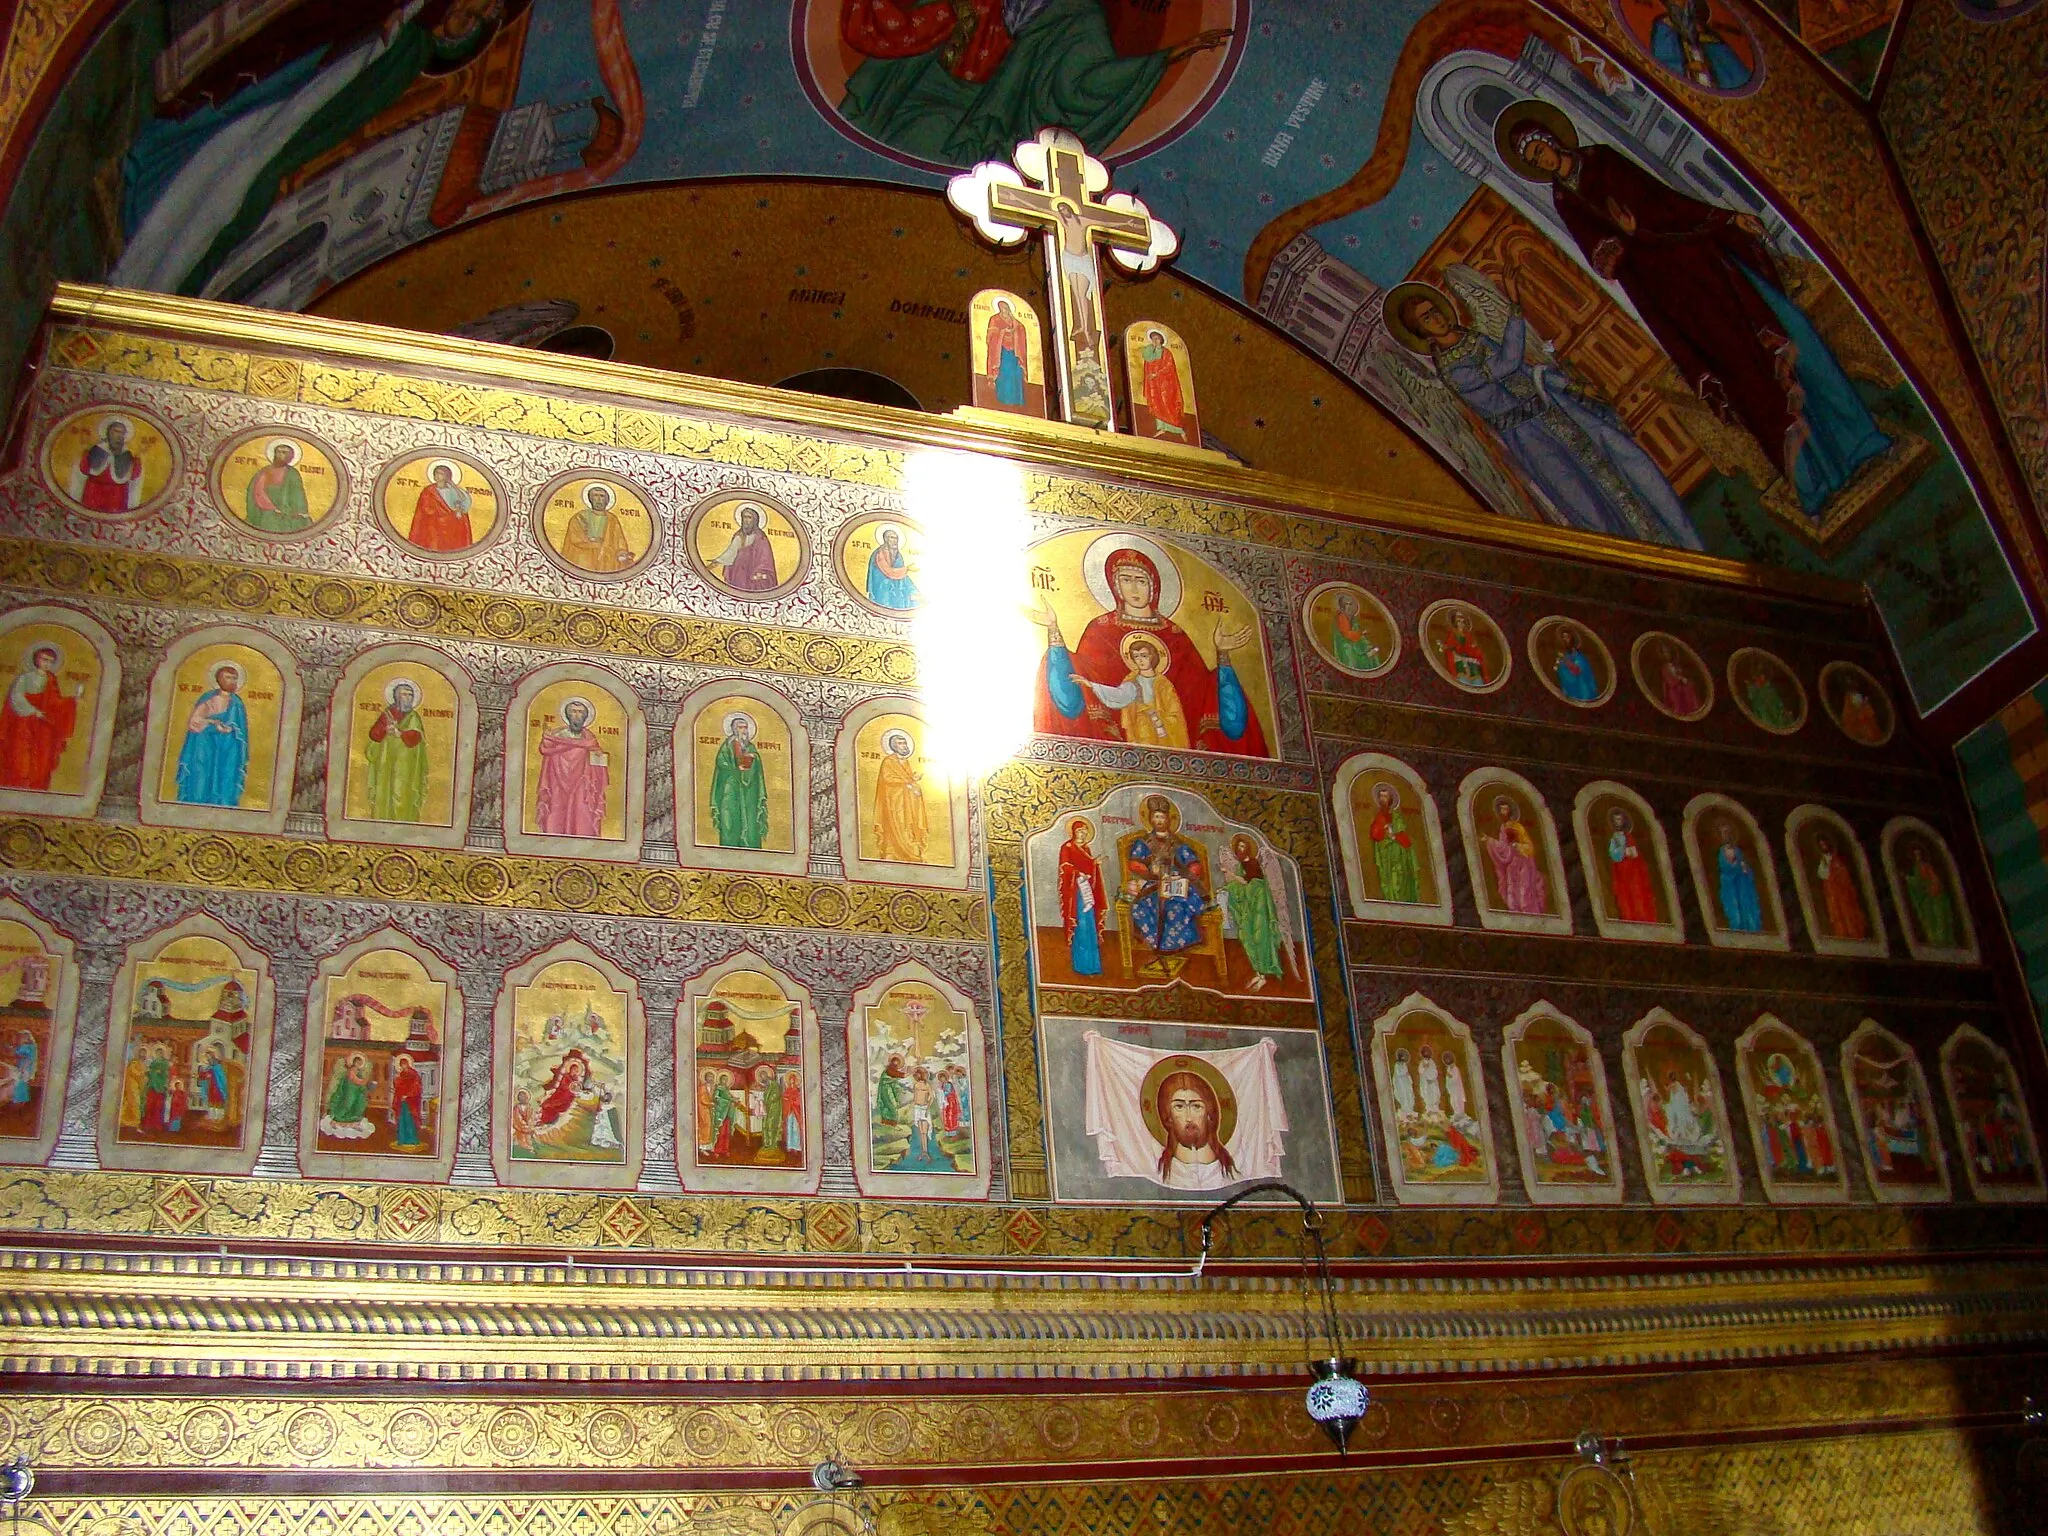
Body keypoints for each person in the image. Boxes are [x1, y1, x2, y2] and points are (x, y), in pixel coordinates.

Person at [1501, 106, 1891, 520]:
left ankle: (1857, 442)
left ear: (1550, 138)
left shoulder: (1602, 159)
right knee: (1749, 381)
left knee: (1788, 339)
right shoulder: (1564, 200)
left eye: (1538, 149)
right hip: (1670, 295)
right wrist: (1620, 242)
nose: (1539, 160)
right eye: (1531, 161)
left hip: (1700, 260)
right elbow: (1601, 255)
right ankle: (1817, 482)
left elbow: (1664, 200)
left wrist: (1722, 218)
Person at [113, 0, 515, 297]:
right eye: (476, 8)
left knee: (242, 193)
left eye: (482, 17)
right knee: (230, 172)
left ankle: (162, 282)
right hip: (285, 96)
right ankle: (147, 269)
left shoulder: (409, 49)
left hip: (300, 121)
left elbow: (443, 47)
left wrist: (456, 28)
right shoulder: (401, 32)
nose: (473, 17)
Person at [1390, 275, 1700, 548]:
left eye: (1433, 311)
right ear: (1421, 331)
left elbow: (1524, 370)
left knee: (1627, 459)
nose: (1436, 318)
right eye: (1426, 319)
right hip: (1531, 436)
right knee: (1589, 506)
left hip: (1556, 409)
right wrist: (1514, 308)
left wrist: (1569, 386)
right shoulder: (1452, 369)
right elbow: (1505, 365)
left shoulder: (1473, 337)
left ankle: (1685, 544)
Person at [838, 0, 1231, 167]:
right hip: (916, 94)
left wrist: (1165, 57)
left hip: (984, 122)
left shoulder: (1077, 15)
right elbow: (901, 25)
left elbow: (1081, 86)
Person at [1035, 544, 1267, 755]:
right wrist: (1054, 630)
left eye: (1141, 581)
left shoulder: (1175, 634)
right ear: (1115, 586)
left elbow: (1199, 688)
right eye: (1126, 580)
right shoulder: (1100, 630)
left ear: (1153, 587)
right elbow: (1077, 680)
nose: (1134, 588)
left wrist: (1223, 655)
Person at [1124, 795, 1207, 970]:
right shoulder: (1144, 842)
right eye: (1156, 817)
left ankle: (1173, 949)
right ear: (1150, 819)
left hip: (1175, 884)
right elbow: (1134, 863)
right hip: (1153, 885)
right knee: (1148, 905)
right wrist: (1149, 872)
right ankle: (1158, 947)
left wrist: (1184, 876)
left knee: (1179, 905)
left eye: (1162, 816)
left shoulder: (1178, 844)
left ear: (1169, 819)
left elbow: (1194, 865)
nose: (1159, 820)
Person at [1084, 634, 1188, 748]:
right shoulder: (1132, 681)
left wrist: (1160, 720)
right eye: (1136, 656)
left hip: (1161, 730)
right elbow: (1119, 695)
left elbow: (1175, 714)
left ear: (1152, 657)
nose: (1140, 660)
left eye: (1144, 656)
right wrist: (1091, 685)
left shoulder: (1164, 684)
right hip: (1141, 727)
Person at [0, 644, 78, 792]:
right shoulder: (25, 678)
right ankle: (16, 787)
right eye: (44, 659)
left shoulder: (51, 680)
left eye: (50, 661)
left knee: (42, 758)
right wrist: (34, 711)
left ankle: (36, 788)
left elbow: (54, 703)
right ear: (36, 659)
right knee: (20, 756)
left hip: (43, 727)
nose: (47, 663)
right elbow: (16, 697)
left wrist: (71, 701)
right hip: (24, 722)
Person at [175, 662, 252, 807]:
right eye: (228, 678)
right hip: (206, 745)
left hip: (229, 747)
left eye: (235, 678)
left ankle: (223, 805)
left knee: (226, 777)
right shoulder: (208, 698)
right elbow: (195, 722)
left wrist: (232, 730)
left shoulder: (237, 703)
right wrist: (213, 723)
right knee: (202, 778)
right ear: (219, 680)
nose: (232, 682)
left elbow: (241, 729)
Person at [534, 696, 609, 838]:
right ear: (567, 715)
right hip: (558, 783)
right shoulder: (556, 736)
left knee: (582, 812)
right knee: (556, 813)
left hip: (582, 784)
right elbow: (547, 752)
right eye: (574, 712)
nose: (577, 715)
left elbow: (598, 762)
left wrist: (599, 760)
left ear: (586, 716)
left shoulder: (589, 739)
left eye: (580, 712)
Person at [1153, 1067, 1238, 1190]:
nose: (1189, 1117)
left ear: (1209, 1114)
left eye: (1196, 1106)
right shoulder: (1159, 1173)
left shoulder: (1230, 1172)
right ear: (1168, 1117)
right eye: (1179, 1106)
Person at [1221, 835, 1286, 990]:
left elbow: (1248, 882)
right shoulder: (1241, 866)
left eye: (1243, 847)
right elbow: (1241, 888)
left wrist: (1228, 874)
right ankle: (1258, 974)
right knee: (1247, 936)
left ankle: (1265, 972)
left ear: (1248, 849)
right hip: (1249, 907)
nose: (1240, 850)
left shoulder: (1253, 863)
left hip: (1259, 906)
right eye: (1238, 847)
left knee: (1259, 936)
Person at [364, 679, 429, 823]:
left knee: (401, 794)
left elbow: (416, 738)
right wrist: (385, 730)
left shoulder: (414, 717)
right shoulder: (387, 714)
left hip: (406, 766)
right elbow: (374, 735)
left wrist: (399, 733)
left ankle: (404, 824)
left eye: (410, 695)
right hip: (385, 761)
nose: (408, 698)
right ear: (396, 697)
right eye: (404, 695)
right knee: (384, 793)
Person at [1648, 0, 1752, 89]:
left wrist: (1708, 67)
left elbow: (1734, 71)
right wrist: (1687, 67)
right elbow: (1663, 65)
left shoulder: (1707, 34)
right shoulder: (1664, 27)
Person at [709, 712, 769, 850]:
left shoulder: (750, 747)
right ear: (735, 729)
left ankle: (749, 845)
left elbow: (756, 765)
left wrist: (752, 758)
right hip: (730, 788)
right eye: (741, 727)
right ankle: (729, 845)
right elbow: (721, 763)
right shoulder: (727, 746)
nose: (744, 730)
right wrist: (734, 768)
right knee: (729, 817)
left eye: (745, 727)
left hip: (748, 791)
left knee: (749, 817)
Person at [1057, 820, 1107, 978]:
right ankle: (1082, 966)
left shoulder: (1086, 848)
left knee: (1090, 925)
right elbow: (1065, 866)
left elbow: (1089, 865)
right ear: (1073, 832)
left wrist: (1094, 864)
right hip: (1075, 893)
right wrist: (1078, 873)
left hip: (1087, 891)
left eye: (1085, 831)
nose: (1083, 834)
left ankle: (1093, 966)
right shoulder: (1067, 847)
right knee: (1081, 925)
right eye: (1080, 831)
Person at [1484, 795, 1548, 914]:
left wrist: (1517, 846)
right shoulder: (1503, 827)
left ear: (1510, 811)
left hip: (1523, 862)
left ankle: (1528, 912)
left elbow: (1528, 845)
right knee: (1512, 887)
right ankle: (1515, 911)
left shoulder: (1517, 826)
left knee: (1524, 889)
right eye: (1501, 810)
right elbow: (1503, 847)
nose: (1503, 812)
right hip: (1512, 864)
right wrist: (1490, 840)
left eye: (1506, 809)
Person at [873, 730, 930, 862]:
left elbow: (906, 779)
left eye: (904, 743)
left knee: (908, 826)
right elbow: (887, 779)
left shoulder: (905, 762)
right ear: (893, 746)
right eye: (900, 744)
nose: (904, 746)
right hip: (893, 801)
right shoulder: (888, 761)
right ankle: (891, 853)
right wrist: (909, 782)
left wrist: (912, 779)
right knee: (896, 826)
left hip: (907, 802)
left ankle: (912, 853)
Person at [67, 419, 146, 513]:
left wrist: (138, 456)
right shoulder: (97, 450)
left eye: (122, 433)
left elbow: (133, 475)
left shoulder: (126, 454)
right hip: (94, 492)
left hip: (117, 495)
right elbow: (84, 469)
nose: (119, 435)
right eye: (116, 431)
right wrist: (85, 451)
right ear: (108, 432)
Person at [557, 483, 634, 574]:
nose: (598, 500)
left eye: (602, 496)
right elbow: (574, 537)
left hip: (605, 559)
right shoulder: (580, 516)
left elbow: (619, 538)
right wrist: (592, 543)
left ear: (607, 500)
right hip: (585, 557)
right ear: (590, 499)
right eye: (595, 496)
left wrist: (622, 551)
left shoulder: (612, 519)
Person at [1367, 781, 1422, 904]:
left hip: (1399, 855)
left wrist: (1393, 836)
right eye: (1380, 796)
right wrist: (1384, 831)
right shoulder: (1379, 817)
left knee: (1399, 879)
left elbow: (1403, 836)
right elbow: (1375, 834)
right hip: (1386, 855)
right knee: (1389, 880)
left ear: (1391, 799)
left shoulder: (1397, 816)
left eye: (1385, 796)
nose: (1382, 799)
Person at [405, 461, 478, 552]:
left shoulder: (452, 490)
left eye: (441, 474)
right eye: (436, 473)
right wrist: (444, 513)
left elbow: (464, 500)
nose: (438, 476)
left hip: (451, 524)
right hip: (435, 524)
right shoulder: (429, 490)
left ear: (447, 476)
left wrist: (453, 485)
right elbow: (426, 508)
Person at [708, 503, 781, 592]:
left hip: (753, 571)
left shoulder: (761, 538)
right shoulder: (739, 535)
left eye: (749, 517)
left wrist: (760, 571)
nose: (746, 520)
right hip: (738, 572)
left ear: (755, 520)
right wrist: (716, 563)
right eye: (744, 517)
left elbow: (765, 558)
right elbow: (730, 553)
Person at [242, 441, 312, 533]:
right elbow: (257, 491)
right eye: (278, 452)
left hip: (289, 510)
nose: (280, 455)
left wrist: (300, 510)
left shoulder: (293, 473)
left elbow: (298, 493)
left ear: (290, 456)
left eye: (284, 452)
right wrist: (271, 507)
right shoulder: (265, 471)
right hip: (268, 510)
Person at [1606, 807, 1659, 923]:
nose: (1618, 822)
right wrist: (1624, 853)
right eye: (1616, 820)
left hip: (1634, 873)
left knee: (1638, 897)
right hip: (1622, 873)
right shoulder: (1614, 838)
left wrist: (1631, 854)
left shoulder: (1629, 837)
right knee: (1626, 898)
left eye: (1620, 819)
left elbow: (1636, 855)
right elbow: (1614, 855)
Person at [1814, 833, 1868, 940]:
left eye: (1824, 844)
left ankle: (1855, 932)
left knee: (1849, 913)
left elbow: (1845, 873)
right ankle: (1842, 933)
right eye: (1821, 845)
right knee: (1838, 914)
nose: (1824, 847)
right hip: (1833, 892)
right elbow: (1822, 875)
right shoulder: (1824, 860)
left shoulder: (1837, 858)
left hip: (1844, 891)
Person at [1137, 329, 1189, 441]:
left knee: (1168, 405)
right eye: (1153, 339)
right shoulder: (1151, 353)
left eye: (1157, 338)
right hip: (1155, 386)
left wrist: (1157, 374)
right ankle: (1161, 428)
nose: (1155, 341)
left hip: (1166, 385)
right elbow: (1147, 367)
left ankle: (1180, 430)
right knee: (1157, 405)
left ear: (1161, 340)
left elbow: (1169, 367)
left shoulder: (1166, 353)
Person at [1904, 844, 1958, 948]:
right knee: (1930, 921)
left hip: (1933, 898)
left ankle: (1941, 941)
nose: (1918, 858)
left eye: (1919, 855)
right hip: (1927, 899)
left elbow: (1926, 882)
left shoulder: (1926, 866)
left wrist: (1909, 879)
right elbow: (1921, 884)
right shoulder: (1917, 867)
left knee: (1939, 919)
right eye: (1915, 855)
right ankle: (1935, 941)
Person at [1715, 821, 1764, 932]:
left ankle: (1749, 928)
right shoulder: (1722, 851)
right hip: (1729, 885)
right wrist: (1736, 867)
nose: (1726, 835)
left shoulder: (1737, 851)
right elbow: (1724, 867)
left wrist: (1745, 869)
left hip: (1741, 885)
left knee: (1746, 907)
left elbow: (1744, 866)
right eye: (1723, 833)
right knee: (1734, 911)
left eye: (1727, 832)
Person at [983, 299, 1030, 409]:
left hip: (1015, 352)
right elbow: (991, 335)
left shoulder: (1015, 321)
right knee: (1004, 374)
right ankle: (1004, 400)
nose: (1005, 310)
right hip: (1001, 352)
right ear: (999, 308)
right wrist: (1003, 332)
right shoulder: (995, 319)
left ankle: (1017, 400)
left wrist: (1015, 331)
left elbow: (1021, 328)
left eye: (1007, 308)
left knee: (1016, 374)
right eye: (1003, 308)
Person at [320, 1052, 374, 1139]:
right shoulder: (351, 1071)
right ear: (354, 1062)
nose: (359, 1064)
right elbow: (355, 1080)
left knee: (359, 1103)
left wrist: (365, 1086)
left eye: (360, 1063)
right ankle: (338, 1118)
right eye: (357, 1062)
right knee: (348, 1104)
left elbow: (361, 1083)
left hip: (356, 1092)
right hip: (349, 1090)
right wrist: (364, 1081)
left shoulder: (359, 1072)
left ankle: (353, 1120)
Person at [1327, 591, 1382, 673]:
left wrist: (1364, 640)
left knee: (1372, 651)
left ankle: (1368, 655)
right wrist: (1361, 633)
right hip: (1344, 644)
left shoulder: (1353, 619)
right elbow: (1346, 634)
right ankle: (1365, 656)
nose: (1349, 607)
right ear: (1342, 606)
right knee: (1350, 651)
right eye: (1346, 604)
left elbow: (1357, 631)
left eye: (1350, 604)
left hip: (1354, 641)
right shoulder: (1341, 617)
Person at [866, 527, 919, 610]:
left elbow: (901, 575)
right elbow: (888, 571)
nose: (895, 540)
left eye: (896, 538)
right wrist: (907, 569)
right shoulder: (880, 553)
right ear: (886, 539)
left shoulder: (898, 555)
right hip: (882, 587)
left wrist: (913, 589)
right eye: (892, 537)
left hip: (896, 587)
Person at [1439, 609, 1490, 688]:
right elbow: (1450, 647)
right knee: (1463, 682)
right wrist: (1447, 648)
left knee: (1478, 682)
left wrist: (1473, 649)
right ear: (1455, 623)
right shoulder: (1453, 634)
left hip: (1472, 664)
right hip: (1460, 663)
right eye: (1459, 621)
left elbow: (1475, 650)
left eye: (1463, 621)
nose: (1461, 623)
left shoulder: (1468, 636)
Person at [1553, 628, 1603, 703]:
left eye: (1567, 637)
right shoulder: (1565, 656)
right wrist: (1559, 667)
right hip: (1568, 688)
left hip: (1582, 689)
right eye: (1563, 637)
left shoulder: (1579, 657)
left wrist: (1566, 662)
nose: (1565, 640)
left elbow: (1579, 671)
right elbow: (1560, 671)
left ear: (1572, 639)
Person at [1654, 642, 1703, 718]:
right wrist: (1680, 680)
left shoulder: (1674, 665)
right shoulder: (1665, 667)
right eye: (1664, 652)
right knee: (1683, 689)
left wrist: (1683, 679)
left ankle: (1691, 708)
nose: (1666, 654)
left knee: (1689, 685)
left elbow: (1679, 675)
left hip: (1678, 685)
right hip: (1673, 689)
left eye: (1667, 652)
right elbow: (1671, 680)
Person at [389, 1052, 426, 1152]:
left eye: (404, 1064)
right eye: (401, 1064)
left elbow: (417, 1087)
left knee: (410, 1120)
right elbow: (398, 1086)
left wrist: (408, 1095)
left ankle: (412, 1139)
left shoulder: (413, 1074)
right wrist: (396, 1079)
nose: (403, 1066)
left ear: (408, 1064)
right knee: (402, 1120)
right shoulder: (401, 1074)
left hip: (410, 1102)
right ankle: (402, 1139)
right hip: (402, 1101)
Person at [1744, 663, 1796, 730]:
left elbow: (1780, 710)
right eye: (1754, 679)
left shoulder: (1771, 691)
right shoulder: (1755, 693)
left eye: (1757, 678)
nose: (1756, 681)